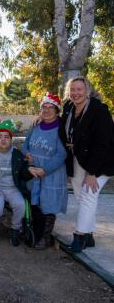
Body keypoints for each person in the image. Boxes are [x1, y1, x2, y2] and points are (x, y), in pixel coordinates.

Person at [59, 77, 114, 252]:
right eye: (72, 90)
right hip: (78, 159)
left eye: (79, 89)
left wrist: (92, 173)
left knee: (88, 195)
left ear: (87, 91)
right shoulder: (68, 108)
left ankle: (80, 236)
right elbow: (62, 128)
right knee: (81, 197)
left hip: (101, 161)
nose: (75, 93)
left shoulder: (99, 111)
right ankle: (89, 236)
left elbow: (103, 143)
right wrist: (41, 118)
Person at [22, 93, 67, 250]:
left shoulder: (61, 129)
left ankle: (46, 237)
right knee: (35, 202)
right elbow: (25, 144)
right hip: (34, 171)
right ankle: (35, 232)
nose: (47, 111)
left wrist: (45, 169)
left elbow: (62, 154)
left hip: (51, 173)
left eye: (51, 108)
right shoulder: (36, 125)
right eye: (44, 107)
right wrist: (26, 153)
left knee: (48, 204)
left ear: (57, 110)